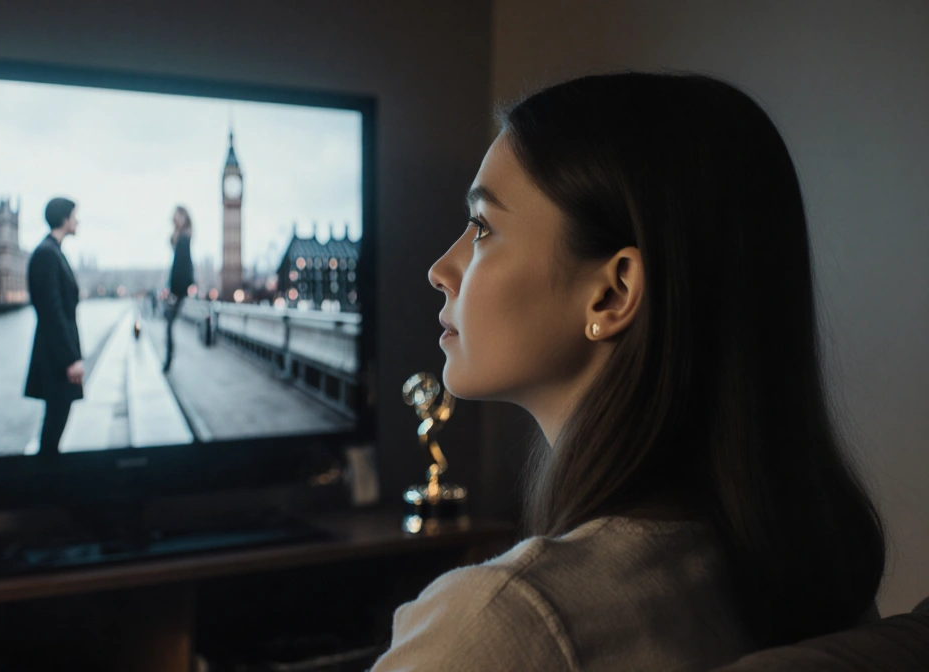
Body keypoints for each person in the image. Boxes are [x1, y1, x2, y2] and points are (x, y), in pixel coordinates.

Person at [371, 72, 886, 671]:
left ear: (613, 294)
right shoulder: (820, 581)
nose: (440, 268)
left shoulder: (501, 625)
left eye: (482, 228)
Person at [24, 197, 83, 458]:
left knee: (55, 421)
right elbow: (52, 312)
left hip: (55, 352)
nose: (78, 221)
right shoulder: (47, 254)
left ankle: (45, 480)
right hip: (55, 357)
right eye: (75, 216)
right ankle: (44, 483)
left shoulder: (52, 251)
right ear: (65, 219)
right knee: (53, 428)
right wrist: (70, 359)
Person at [162, 205, 194, 373]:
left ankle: (169, 358)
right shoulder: (182, 237)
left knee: (168, 323)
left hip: (177, 290)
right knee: (168, 323)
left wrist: (174, 291)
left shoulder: (184, 238)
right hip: (177, 289)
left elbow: (183, 267)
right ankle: (168, 357)